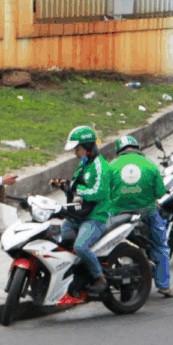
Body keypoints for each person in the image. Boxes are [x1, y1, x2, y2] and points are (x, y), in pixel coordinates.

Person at [49, 126, 112, 295]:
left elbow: (99, 193)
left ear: (88, 147)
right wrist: (64, 186)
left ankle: (99, 278)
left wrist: (78, 190)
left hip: (95, 217)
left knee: (80, 247)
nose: (75, 152)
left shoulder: (101, 166)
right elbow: (77, 187)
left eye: (78, 148)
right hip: (80, 214)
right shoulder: (84, 164)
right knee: (60, 241)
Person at [109, 136, 172, 297]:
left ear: (118, 151)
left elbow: (104, 194)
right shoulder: (149, 165)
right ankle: (164, 286)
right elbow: (160, 192)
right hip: (147, 212)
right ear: (137, 148)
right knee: (160, 245)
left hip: (118, 215)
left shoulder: (111, 167)